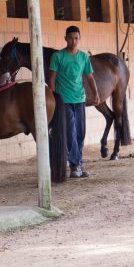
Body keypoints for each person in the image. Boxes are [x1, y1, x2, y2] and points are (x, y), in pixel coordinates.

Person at [47, 25, 99, 179]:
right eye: (70, 38)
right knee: (70, 132)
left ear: (79, 39)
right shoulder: (58, 56)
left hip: (80, 99)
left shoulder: (84, 57)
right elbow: (52, 78)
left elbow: (89, 77)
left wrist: (96, 93)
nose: (73, 41)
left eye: (76, 38)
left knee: (81, 132)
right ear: (65, 38)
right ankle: (75, 165)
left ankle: (78, 164)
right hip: (64, 100)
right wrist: (53, 97)